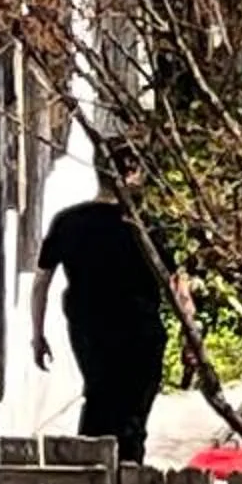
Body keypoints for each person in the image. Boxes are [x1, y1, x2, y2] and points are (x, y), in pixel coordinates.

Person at [29, 145, 179, 462]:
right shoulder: (144, 227)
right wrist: (190, 333)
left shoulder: (68, 223)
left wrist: (37, 335)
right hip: (140, 332)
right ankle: (126, 478)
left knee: (98, 400)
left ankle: (90, 476)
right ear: (130, 173)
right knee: (132, 417)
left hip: (90, 330)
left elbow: (41, 282)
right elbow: (176, 283)